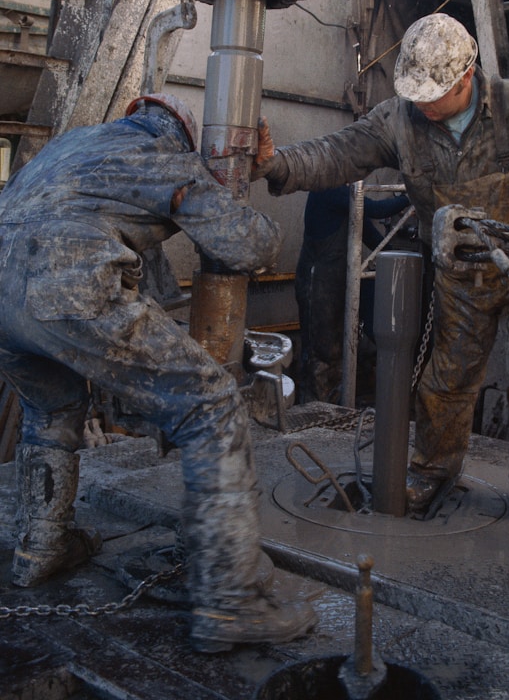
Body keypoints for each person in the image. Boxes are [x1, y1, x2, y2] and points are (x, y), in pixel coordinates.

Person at [0, 93, 316, 652]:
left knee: (50, 411)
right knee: (211, 404)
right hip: (67, 286)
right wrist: (230, 188)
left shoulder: (71, 146)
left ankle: (41, 547)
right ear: (182, 134)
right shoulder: (163, 158)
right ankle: (230, 602)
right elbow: (253, 246)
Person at [253, 14, 509, 521]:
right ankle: (432, 470)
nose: (420, 103)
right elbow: (338, 154)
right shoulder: (400, 120)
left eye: (431, 93)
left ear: (466, 77)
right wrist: (275, 164)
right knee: (446, 378)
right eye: (414, 92)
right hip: (460, 274)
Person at [295, 184, 409, 403]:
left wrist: (399, 256)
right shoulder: (329, 189)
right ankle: (313, 413)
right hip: (317, 284)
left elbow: (368, 233)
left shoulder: (345, 198)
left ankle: (333, 411)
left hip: (334, 284)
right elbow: (375, 209)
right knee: (321, 354)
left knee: (336, 352)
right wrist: (412, 196)